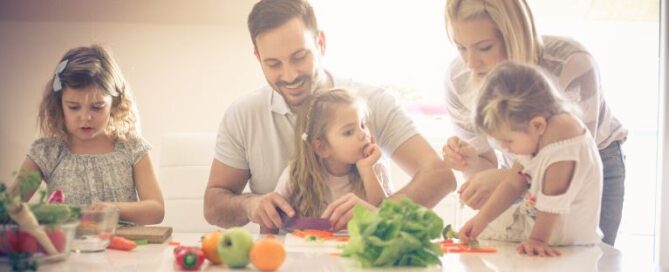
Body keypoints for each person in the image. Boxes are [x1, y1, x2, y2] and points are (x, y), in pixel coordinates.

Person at [204, 0, 456, 232]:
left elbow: (440, 176)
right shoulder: (243, 115)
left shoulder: (370, 103)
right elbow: (213, 205)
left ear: (321, 43)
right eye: (273, 64)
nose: (290, 75)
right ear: (258, 58)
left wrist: (382, 215)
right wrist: (249, 204)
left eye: (299, 57)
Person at [442, 0, 627, 245]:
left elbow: (569, 166)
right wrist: (471, 162)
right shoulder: (459, 80)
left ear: (514, 35)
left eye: (485, 47)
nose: (470, 63)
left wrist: (507, 180)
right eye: (461, 48)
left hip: (588, 164)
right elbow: (505, 172)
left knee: (581, 254)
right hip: (520, 165)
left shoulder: (571, 63)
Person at [458, 61, 603, 256]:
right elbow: (513, 183)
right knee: (485, 232)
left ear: (537, 125)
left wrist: (537, 239)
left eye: (508, 141)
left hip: (562, 236)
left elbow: (554, 199)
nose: (504, 147)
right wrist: (481, 220)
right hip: (540, 226)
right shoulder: (536, 131)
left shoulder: (564, 144)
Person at [12, 45, 164, 225]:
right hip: (66, 249)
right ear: (59, 104)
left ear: (115, 103)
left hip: (124, 249)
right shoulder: (47, 151)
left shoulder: (132, 147)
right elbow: (10, 206)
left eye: (97, 107)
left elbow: (156, 210)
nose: (85, 117)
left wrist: (114, 209)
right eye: (73, 107)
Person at [267, 88, 391, 233]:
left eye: (362, 125)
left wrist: (367, 169)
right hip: (306, 251)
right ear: (322, 148)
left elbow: (386, 219)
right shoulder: (295, 174)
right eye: (349, 132)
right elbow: (271, 216)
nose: (363, 134)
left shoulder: (375, 168)